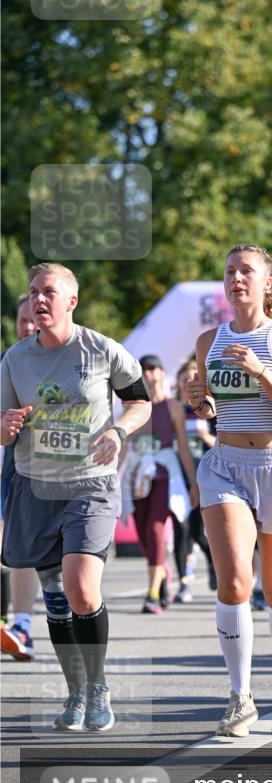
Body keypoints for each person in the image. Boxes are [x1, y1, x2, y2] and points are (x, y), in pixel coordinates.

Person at [0, 262, 151, 730]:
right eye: (32, 293)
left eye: (49, 292)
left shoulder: (101, 349)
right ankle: (75, 692)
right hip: (36, 487)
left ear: (71, 301)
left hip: (91, 484)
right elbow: (3, 422)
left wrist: (119, 432)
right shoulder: (15, 359)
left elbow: (140, 401)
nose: (38, 300)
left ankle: (99, 684)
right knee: (55, 599)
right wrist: (3, 427)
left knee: (81, 588)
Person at [185, 243, 272, 737]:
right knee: (235, 582)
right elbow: (214, 408)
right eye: (229, 271)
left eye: (247, 271)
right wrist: (199, 400)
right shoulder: (208, 341)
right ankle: (240, 698)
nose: (236, 278)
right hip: (226, 465)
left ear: (266, 283)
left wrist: (262, 372)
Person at [126, 354, 198, 614]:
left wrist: (193, 483)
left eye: (153, 368)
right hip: (138, 476)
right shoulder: (133, 406)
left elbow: (184, 449)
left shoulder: (173, 407)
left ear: (162, 372)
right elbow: (125, 444)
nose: (148, 373)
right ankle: (162, 575)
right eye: (143, 369)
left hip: (166, 477)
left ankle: (153, 593)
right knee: (144, 536)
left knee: (157, 530)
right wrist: (113, 476)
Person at [1, 294, 41, 660]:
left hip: (50, 473)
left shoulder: (65, 363)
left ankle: (23, 624)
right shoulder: (7, 362)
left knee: (24, 552)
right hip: (7, 464)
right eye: (21, 319)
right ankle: (14, 624)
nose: (27, 326)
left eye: (33, 319)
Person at [172, 358, 217, 601]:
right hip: (176, 478)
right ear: (178, 383)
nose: (189, 382)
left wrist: (205, 436)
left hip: (204, 476)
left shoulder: (207, 409)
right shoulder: (172, 409)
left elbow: (221, 444)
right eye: (184, 379)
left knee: (200, 532)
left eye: (193, 378)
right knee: (182, 529)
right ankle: (183, 583)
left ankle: (213, 563)